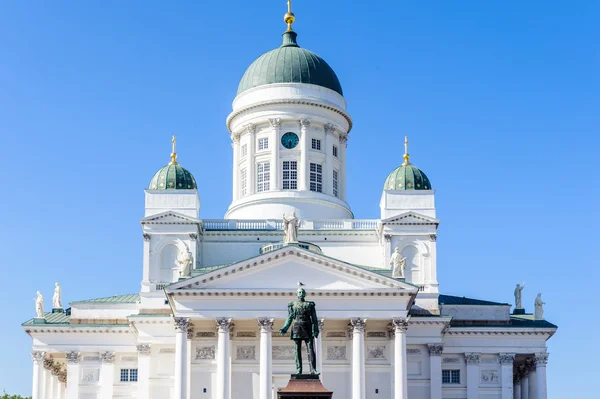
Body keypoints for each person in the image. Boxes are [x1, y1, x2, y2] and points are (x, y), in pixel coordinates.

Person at [280, 287, 320, 375]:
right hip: (297, 327)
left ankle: (313, 369)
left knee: (311, 349)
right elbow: (290, 317)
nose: (301, 293)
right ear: (297, 294)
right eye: (299, 292)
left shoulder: (310, 304)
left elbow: (314, 318)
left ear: (304, 294)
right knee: (297, 350)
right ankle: (299, 369)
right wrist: (285, 327)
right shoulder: (292, 305)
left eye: (302, 292)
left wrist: (316, 329)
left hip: (307, 326)